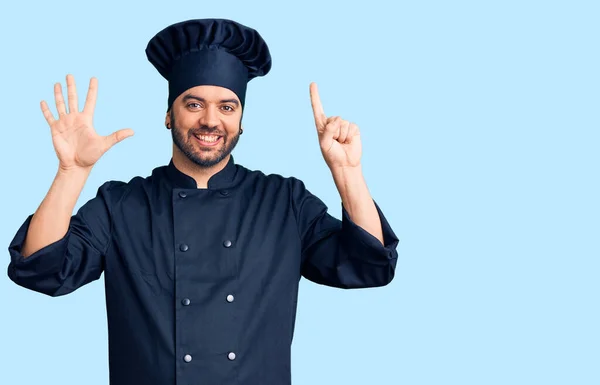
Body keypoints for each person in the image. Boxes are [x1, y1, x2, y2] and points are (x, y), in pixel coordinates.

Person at [7, 18, 399, 385]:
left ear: (241, 120)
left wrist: (347, 172)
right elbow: (43, 270)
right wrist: (71, 172)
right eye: (193, 104)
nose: (210, 120)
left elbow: (368, 265)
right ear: (168, 114)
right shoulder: (121, 203)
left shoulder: (285, 202)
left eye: (227, 107)